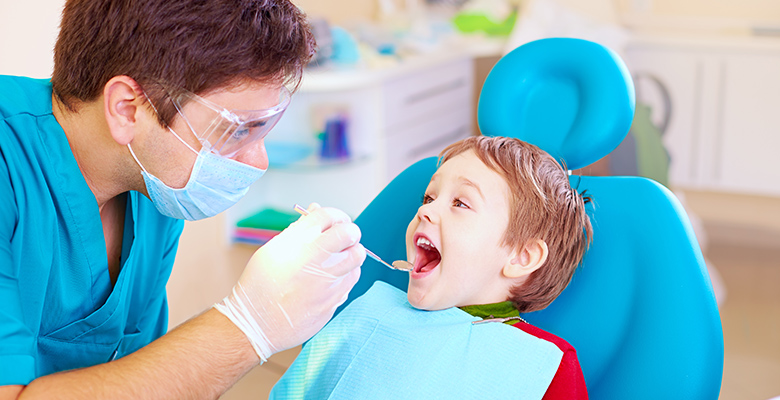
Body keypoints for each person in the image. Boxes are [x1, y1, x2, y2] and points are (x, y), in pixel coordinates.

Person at [0, 0, 365, 398]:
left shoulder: (153, 186)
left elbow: (144, 379)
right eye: (237, 130)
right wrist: (248, 325)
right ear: (127, 109)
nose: (258, 161)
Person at [271, 135, 592, 399]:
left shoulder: (545, 365)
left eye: (460, 203)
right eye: (428, 198)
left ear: (522, 257)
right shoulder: (368, 311)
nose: (425, 211)